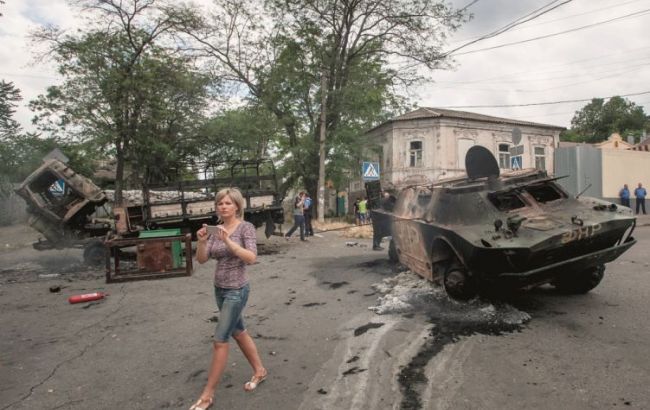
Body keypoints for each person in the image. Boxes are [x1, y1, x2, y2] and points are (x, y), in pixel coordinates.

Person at [192, 188, 267, 410]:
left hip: (237, 290)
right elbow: (202, 260)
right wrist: (202, 242)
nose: (223, 206)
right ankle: (260, 371)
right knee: (238, 331)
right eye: (220, 203)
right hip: (220, 289)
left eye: (228, 203)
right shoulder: (216, 229)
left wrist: (228, 241)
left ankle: (207, 394)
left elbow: (251, 257)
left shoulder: (245, 227)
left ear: (237, 206)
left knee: (220, 339)